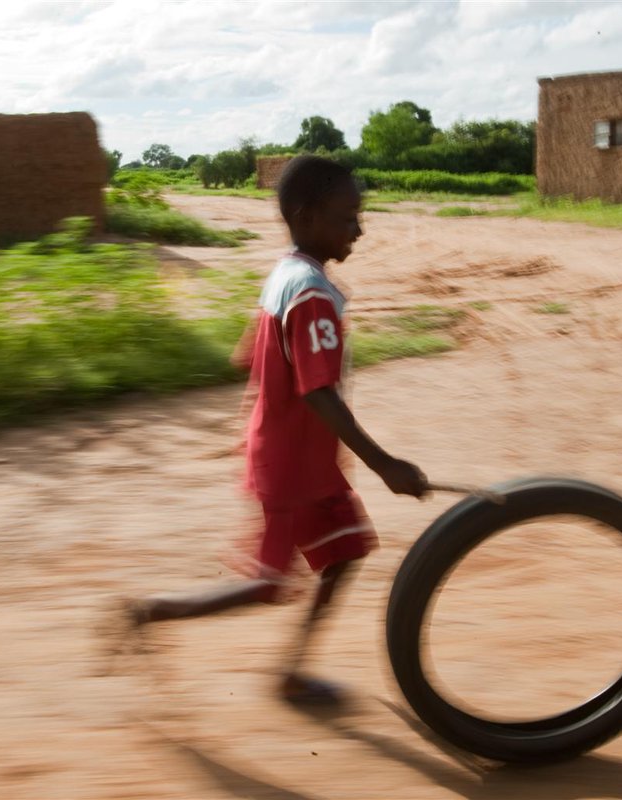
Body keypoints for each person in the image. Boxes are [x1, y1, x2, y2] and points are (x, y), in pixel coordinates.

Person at [123, 155, 429, 705]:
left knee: (345, 554)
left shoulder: (286, 275)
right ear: (308, 217)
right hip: (292, 469)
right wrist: (387, 466)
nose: (359, 229)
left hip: (300, 460)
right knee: (269, 584)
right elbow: (316, 392)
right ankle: (150, 612)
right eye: (347, 217)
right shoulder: (310, 295)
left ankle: (290, 672)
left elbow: (254, 360)